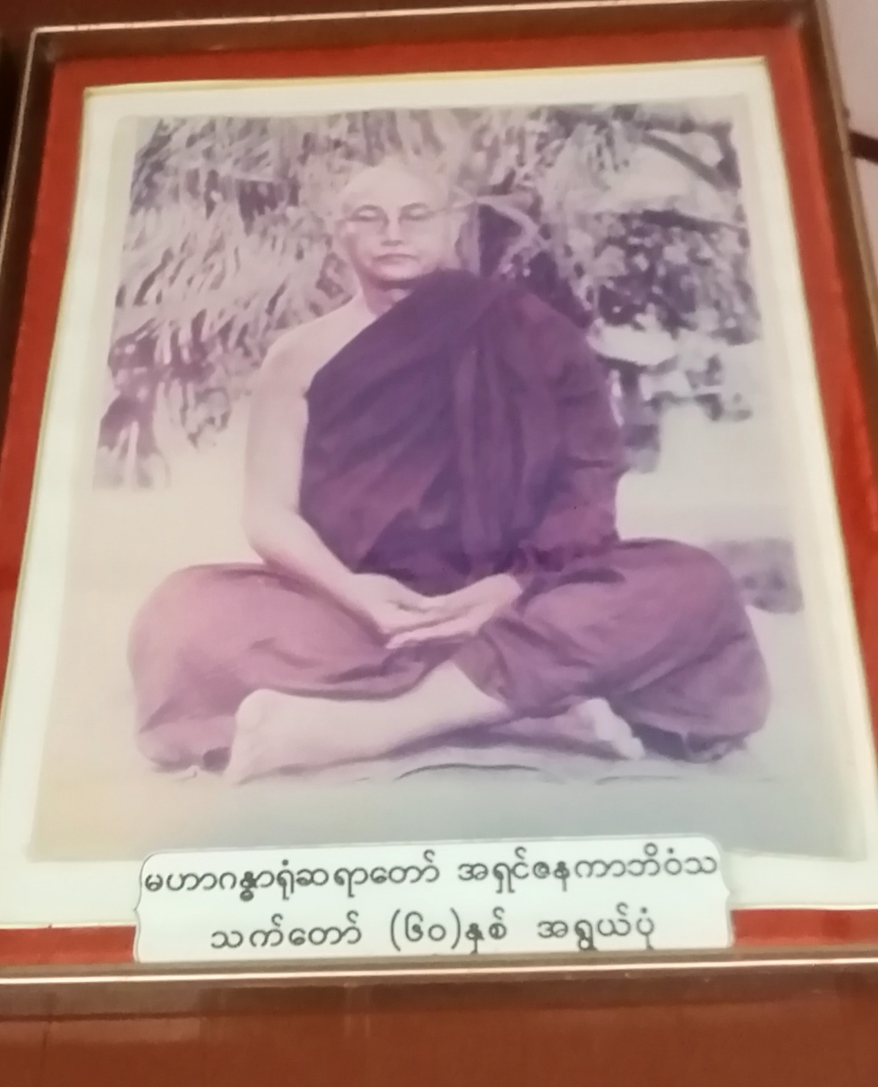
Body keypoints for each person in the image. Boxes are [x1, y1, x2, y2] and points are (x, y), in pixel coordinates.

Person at [128, 159, 770, 782]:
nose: (393, 232)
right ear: (338, 233)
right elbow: (269, 513)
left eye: (415, 215)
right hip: (361, 612)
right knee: (183, 614)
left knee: (693, 583)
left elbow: (587, 485)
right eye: (369, 217)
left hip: (524, 598)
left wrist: (508, 588)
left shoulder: (530, 331)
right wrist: (358, 595)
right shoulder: (297, 355)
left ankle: (373, 725)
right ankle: (519, 701)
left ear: (451, 225)